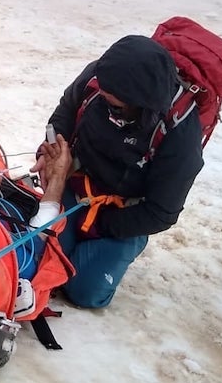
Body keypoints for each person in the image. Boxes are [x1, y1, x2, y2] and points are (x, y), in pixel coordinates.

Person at [32, 34, 204, 309]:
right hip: (78, 188)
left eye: (115, 103)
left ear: (139, 101)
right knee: (38, 262)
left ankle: (106, 255)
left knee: (85, 292)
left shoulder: (180, 133)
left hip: (125, 213)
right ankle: (78, 244)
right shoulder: (99, 78)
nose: (103, 99)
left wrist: (102, 226)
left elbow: (162, 212)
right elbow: (65, 112)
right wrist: (52, 152)